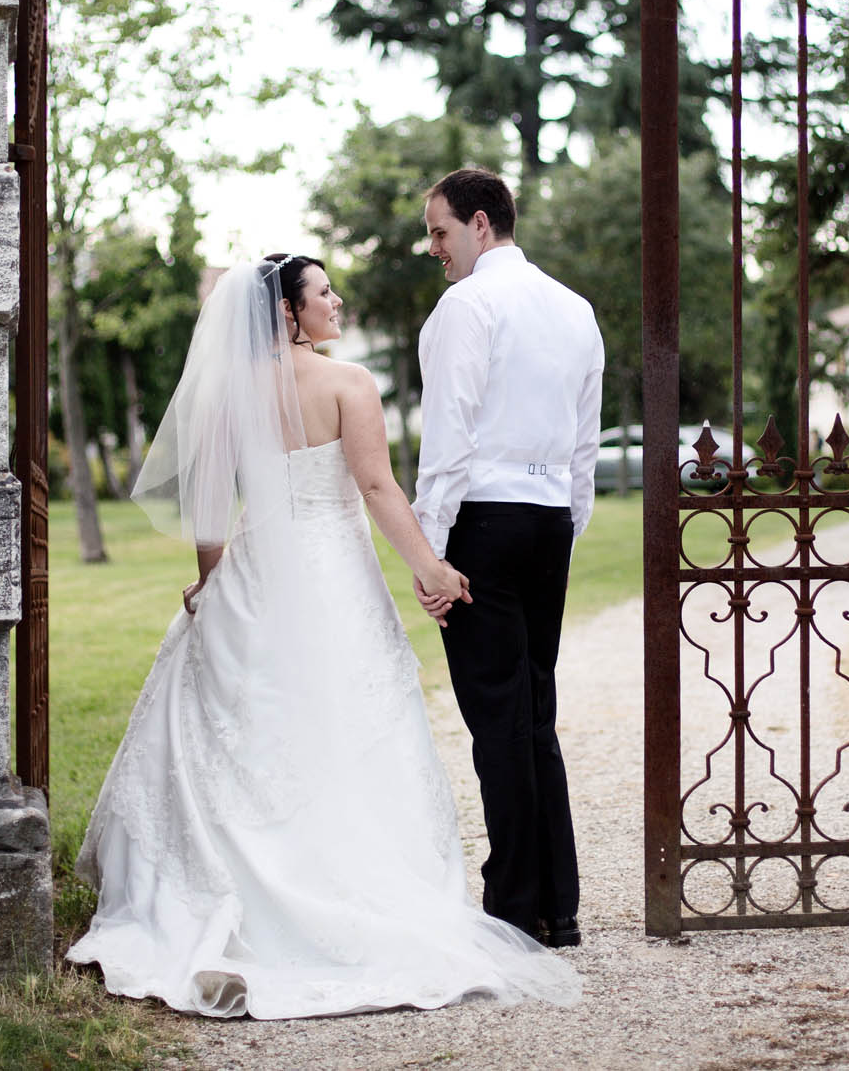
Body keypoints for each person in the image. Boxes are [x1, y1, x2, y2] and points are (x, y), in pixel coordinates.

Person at [66, 253, 580, 1019]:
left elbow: (211, 501)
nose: (336, 300)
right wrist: (431, 566)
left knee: (250, 729)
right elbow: (377, 486)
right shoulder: (347, 384)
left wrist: (212, 578)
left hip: (256, 571)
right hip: (332, 572)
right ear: (287, 312)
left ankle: (239, 895)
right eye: (323, 292)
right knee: (348, 722)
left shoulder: (227, 393)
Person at [413, 169, 604, 949]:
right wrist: (570, 519)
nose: (435, 249)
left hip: (484, 521)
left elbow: (448, 436)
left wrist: (430, 549)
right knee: (534, 711)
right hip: (550, 518)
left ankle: (514, 904)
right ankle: (558, 904)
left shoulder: (467, 305)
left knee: (499, 717)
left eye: (441, 232)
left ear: (481, 223)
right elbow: (587, 439)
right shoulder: (575, 308)